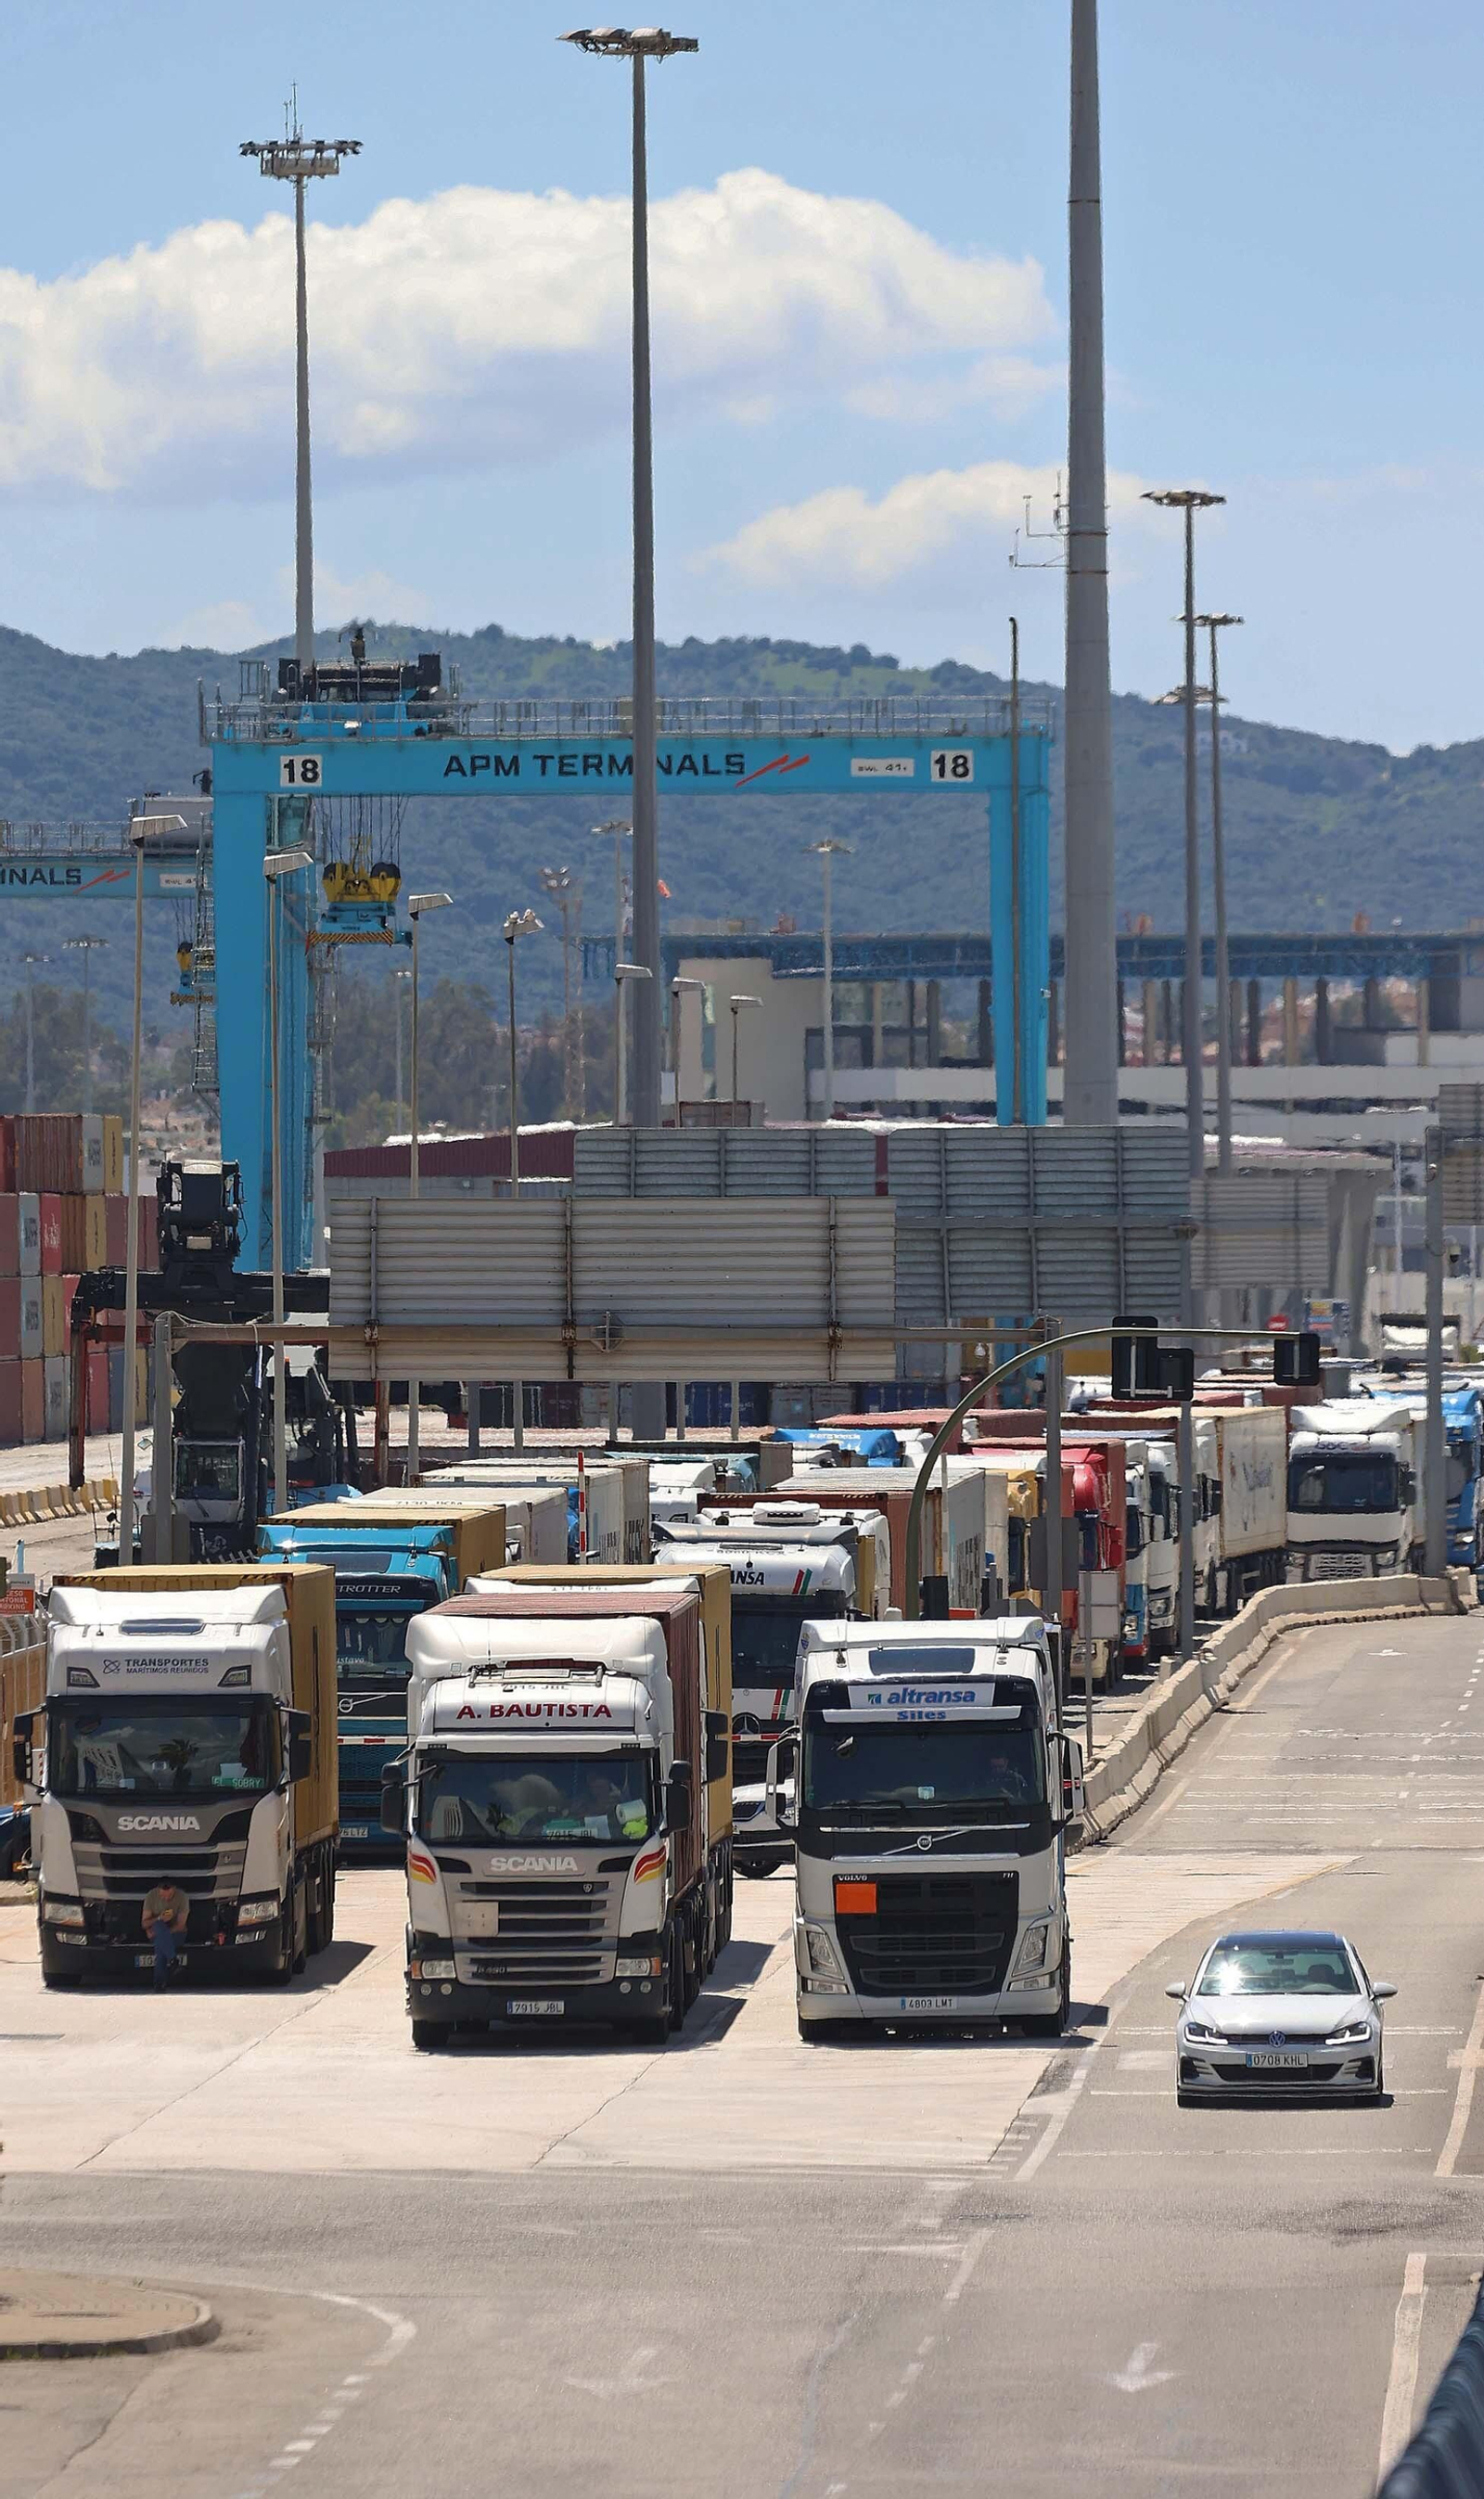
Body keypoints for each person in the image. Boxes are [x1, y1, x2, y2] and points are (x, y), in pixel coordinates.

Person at [141, 1881, 189, 1989]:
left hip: (176, 1934)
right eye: (163, 1896)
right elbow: (144, 1924)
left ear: (174, 1889)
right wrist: (159, 1918)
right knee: (159, 1926)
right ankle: (173, 1959)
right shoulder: (151, 1896)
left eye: (170, 1895)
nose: (166, 1898)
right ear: (158, 1891)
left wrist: (163, 1933)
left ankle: (159, 1982)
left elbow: (181, 1925)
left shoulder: (182, 1897)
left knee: (161, 1943)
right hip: (156, 1931)